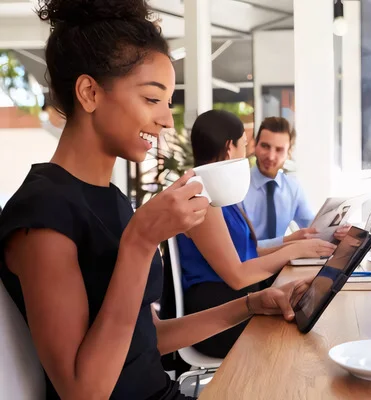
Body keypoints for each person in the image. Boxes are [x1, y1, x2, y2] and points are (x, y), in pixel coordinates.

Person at [0, 1, 312, 399]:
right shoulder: (42, 215)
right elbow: (83, 391)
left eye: (168, 102)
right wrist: (141, 240)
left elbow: (147, 343)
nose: (167, 119)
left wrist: (251, 304)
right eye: (152, 99)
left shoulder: (110, 200)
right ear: (89, 92)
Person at [178, 110, 336, 358]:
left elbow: (248, 253)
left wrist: (295, 245)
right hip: (216, 314)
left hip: (233, 301)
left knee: (311, 309)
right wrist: (292, 250)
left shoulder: (218, 193)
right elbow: (238, 276)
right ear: (230, 148)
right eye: (244, 145)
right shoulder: (202, 196)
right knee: (304, 326)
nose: (246, 154)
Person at [243, 117, 350, 247]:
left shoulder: (292, 188)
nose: (271, 156)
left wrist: (338, 231)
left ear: (289, 152)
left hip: (284, 264)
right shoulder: (239, 187)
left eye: (279, 149)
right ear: (255, 145)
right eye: (265, 146)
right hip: (248, 264)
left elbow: (313, 228)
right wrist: (287, 240)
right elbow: (240, 248)